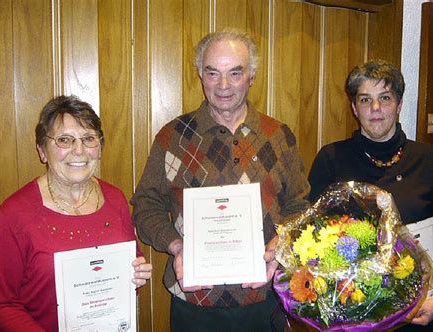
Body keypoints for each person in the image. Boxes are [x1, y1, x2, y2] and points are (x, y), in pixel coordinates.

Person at [131, 30, 310, 331]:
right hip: (194, 301)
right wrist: (176, 246)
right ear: (200, 75)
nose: (224, 85)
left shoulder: (278, 136)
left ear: (251, 76)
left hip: (267, 296)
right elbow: (145, 206)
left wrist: (281, 244)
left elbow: (299, 204)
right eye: (213, 73)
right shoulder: (172, 137)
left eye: (235, 73)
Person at [308, 60, 433, 331]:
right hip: (349, 315)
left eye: (385, 98)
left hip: (416, 311)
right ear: (354, 107)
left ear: (399, 105)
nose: (375, 109)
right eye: (365, 99)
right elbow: (311, 238)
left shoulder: (428, 160)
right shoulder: (331, 159)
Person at [0, 95, 153, 331]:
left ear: (99, 147)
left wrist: (137, 273)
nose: (79, 150)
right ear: (42, 150)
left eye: (89, 139)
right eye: (65, 140)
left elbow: (129, 264)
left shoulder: (115, 199)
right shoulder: (15, 214)